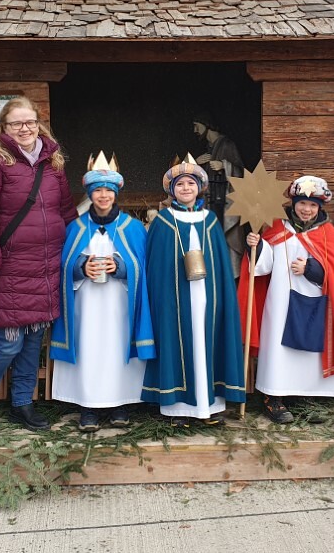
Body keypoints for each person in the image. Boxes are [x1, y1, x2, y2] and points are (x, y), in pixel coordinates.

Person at [0, 96, 78, 435]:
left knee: (33, 341)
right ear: (4, 127)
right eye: (16, 123)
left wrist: (80, 250)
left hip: (47, 265)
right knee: (8, 342)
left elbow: (67, 212)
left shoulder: (53, 163)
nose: (25, 129)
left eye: (30, 122)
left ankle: (22, 403)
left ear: (38, 124)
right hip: (11, 267)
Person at [239, 175, 334, 424]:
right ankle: (273, 397)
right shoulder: (277, 228)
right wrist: (257, 246)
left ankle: (307, 397)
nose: (307, 209)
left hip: (316, 304)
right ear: (293, 203)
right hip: (280, 303)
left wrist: (311, 269)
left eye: (313, 205)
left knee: (310, 355)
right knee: (278, 348)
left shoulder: (329, 235)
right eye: (302, 203)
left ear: (320, 207)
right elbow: (262, 267)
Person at [50, 153, 155, 431]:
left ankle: (120, 404)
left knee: (117, 349)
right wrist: (80, 267)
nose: (104, 195)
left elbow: (144, 267)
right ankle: (88, 407)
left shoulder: (134, 228)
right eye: (98, 190)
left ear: (116, 193)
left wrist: (121, 267)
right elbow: (62, 265)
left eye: (108, 190)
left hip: (120, 305)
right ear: (90, 193)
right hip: (86, 306)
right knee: (89, 350)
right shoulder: (75, 228)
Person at [142, 155, 246, 426]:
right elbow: (155, 267)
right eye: (180, 184)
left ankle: (210, 406)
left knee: (207, 343)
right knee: (177, 343)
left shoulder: (210, 221)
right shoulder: (163, 222)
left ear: (199, 187)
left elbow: (221, 266)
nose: (186, 188)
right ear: (171, 189)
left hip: (207, 298)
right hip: (174, 300)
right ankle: (177, 410)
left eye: (190, 183)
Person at [192, 114, 245, 276]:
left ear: (207, 124)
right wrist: (195, 164)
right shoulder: (209, 147)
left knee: (225, 242)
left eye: (197, 125)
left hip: (223, 206)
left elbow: (242, 174)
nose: (195, 130)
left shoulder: (227, 144)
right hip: (209, 204)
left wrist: (224, 165)